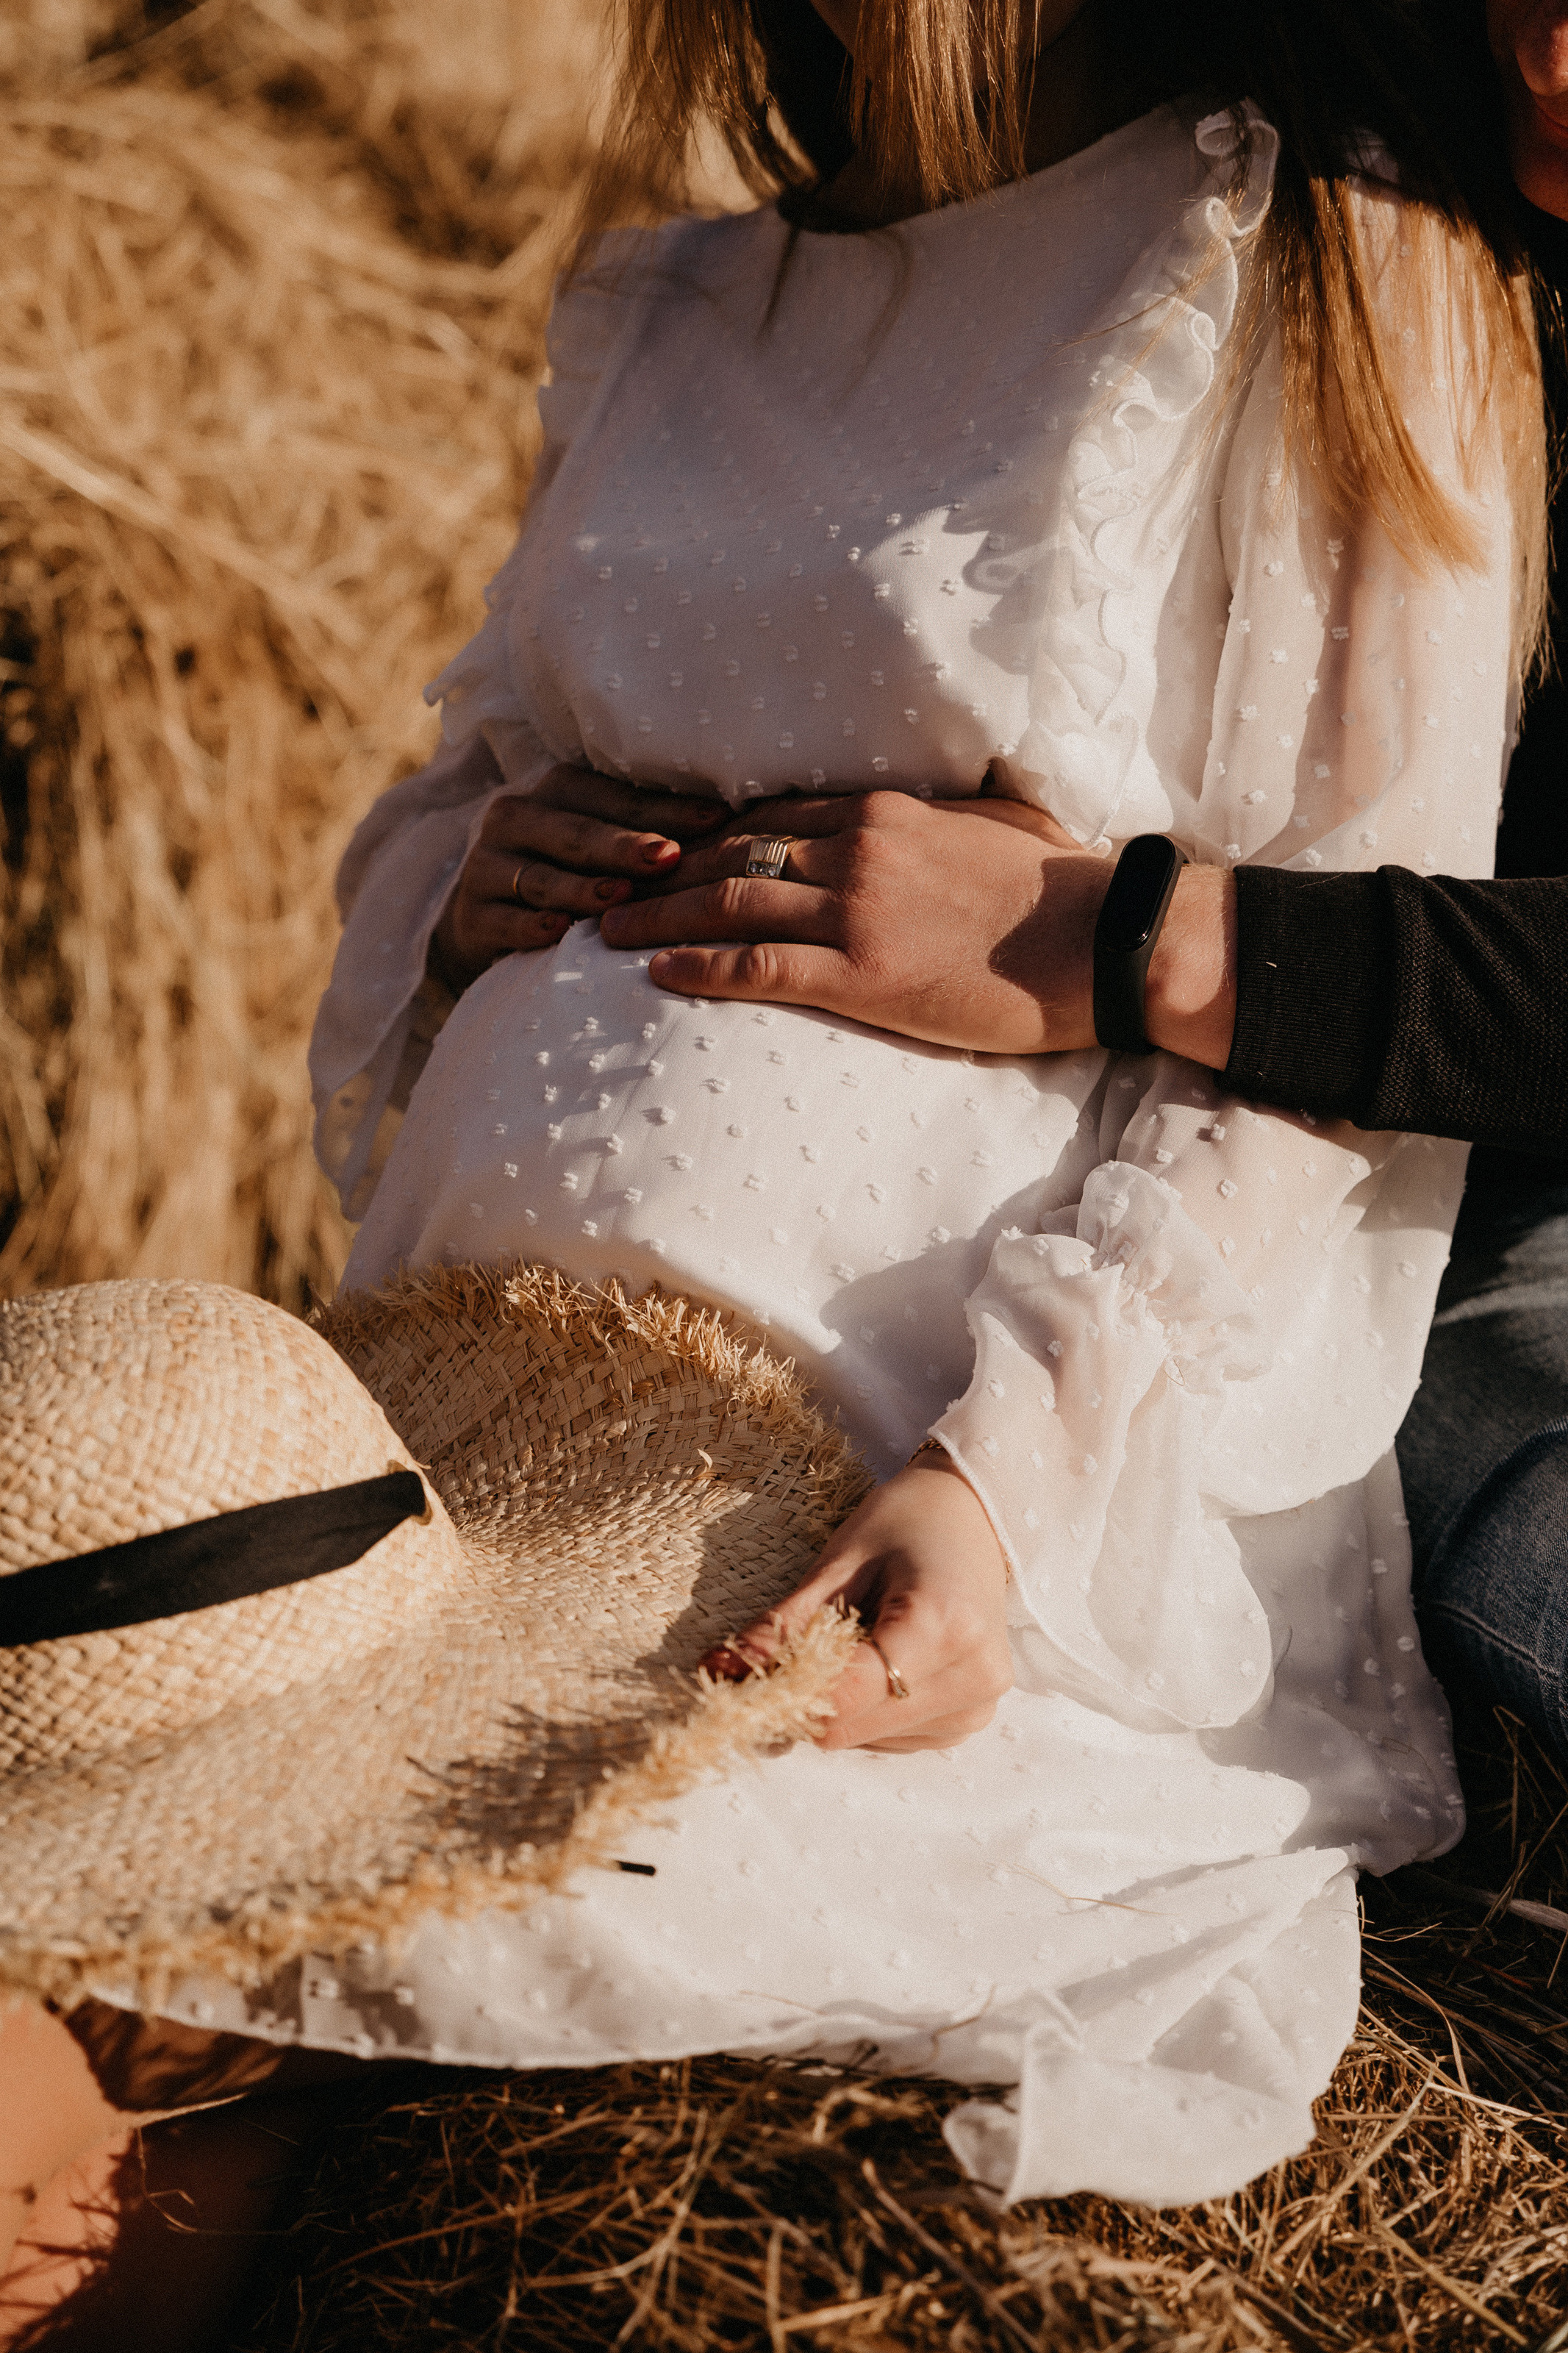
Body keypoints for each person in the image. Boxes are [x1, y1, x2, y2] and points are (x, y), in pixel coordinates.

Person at [1, 0, 1550, 2336]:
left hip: (890, 1457)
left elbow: (1330, 1030)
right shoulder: (688, 289)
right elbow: (476, 759)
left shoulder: (1313, 258)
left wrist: (1010, 1477)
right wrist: (474, 876)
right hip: (480, 1441)